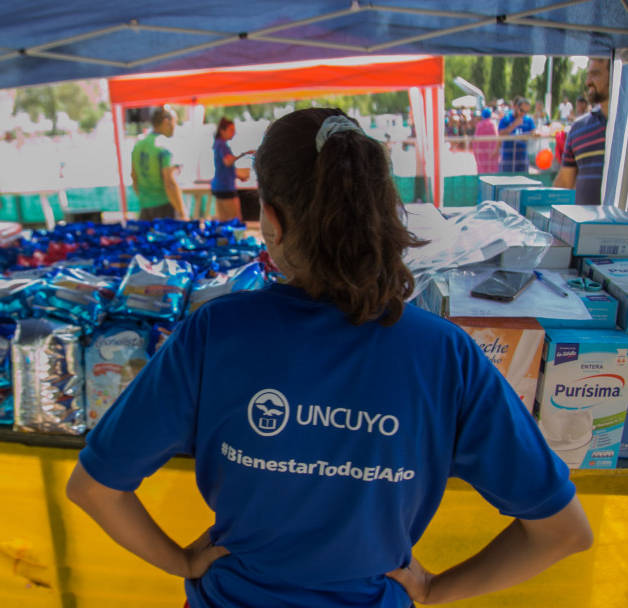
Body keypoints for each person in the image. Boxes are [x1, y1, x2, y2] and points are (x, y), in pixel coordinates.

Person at [67, 107, 593, 608]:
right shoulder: (445, 355)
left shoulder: (216, 332)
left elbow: (95, 488)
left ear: (271, 220)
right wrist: (434, 589)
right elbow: (562, 531)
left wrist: (182, 561)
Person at [554, 58, 610, 205]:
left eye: (595, 74)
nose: (588, 82)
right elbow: (565, 184)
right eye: (588, 74)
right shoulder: (579, 128)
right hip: (587, 227)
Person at [131, 107, 188, 221]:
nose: (175, 127)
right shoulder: (165, 145)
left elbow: (134, 176)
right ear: (166, 122)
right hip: (164, 207)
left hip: (145, 207)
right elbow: (170, 183)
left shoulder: (139, 145)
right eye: (174, 122)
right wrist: (182, 212)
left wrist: (146, 198)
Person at [210, 118, 255, 222]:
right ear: (222, 130)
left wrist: (238, 176)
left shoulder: (218, 144)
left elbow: (224, 167)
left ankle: (224, 238)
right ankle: (236, 238)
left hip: (219, 186)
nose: (233, 133)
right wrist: (244, 154)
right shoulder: (221, 144)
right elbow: (228, 161)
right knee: (236, 220)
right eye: (231, 130)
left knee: (223, 220)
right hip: (226, 187)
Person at [497, 96, 536, 173]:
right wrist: (514, 125)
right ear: (516, 107)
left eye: (526, 112)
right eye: (521, 110)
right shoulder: (506, 118)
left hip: (522, 157)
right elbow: (500, 133)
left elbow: (533, 131)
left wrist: (536, 133)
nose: (523, 114)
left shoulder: (528, 120)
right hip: (508, 157)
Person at [473, 107, 499, 174]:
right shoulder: (493, 125)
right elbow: (497, 138)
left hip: (481, 153)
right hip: (492, 152)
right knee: (492, 170)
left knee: (482, 170)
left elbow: (475, 141)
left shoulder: (479, 125)